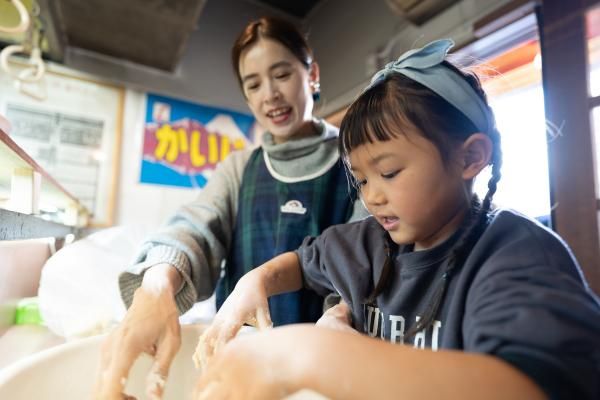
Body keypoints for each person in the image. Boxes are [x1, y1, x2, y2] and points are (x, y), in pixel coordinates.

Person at [193, 39, 600, 400]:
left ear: (470, 157)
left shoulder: (515, 256)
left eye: (389, 173)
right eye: (363, 179)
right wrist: (256, 282)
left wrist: (316, 355)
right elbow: (303, 262)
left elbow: (535, 386)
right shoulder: (369, 243)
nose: (372, 196)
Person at [94, 16, 365, 399]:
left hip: (323, 368)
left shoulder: (356, 161)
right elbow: (194, 227)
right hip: (241, 366)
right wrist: (156, 285)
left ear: (312, 74)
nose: (269, 94)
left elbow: (363, 264)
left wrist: (335, 320)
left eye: (281, 75)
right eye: (253, 84)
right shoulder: (240, 169)